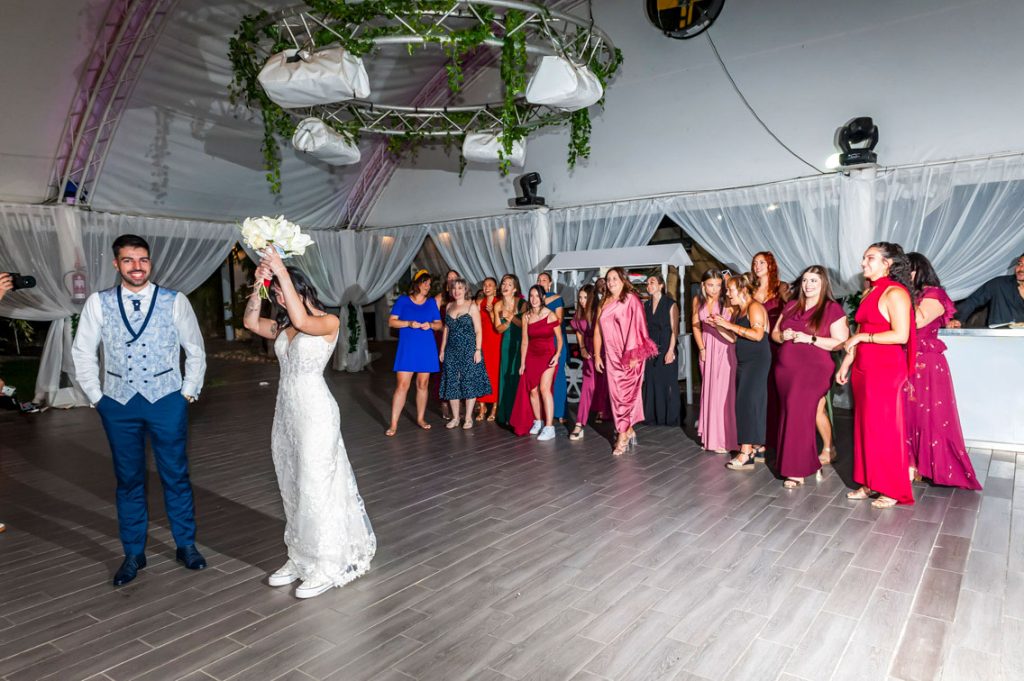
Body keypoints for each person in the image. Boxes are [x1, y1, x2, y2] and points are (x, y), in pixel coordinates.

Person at [71, 234, 207, 586]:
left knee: (175, 475)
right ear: (116, 264)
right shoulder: (99, 302)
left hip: (167, 400)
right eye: (129, 260)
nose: (137, 266)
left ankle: (186, 545)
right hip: (118, 403)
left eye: (143, 259)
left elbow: (194, 349)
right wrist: (97, 397)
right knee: (128, 479)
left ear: (150, 262)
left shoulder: (174, 300)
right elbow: (83, 351)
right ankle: (133, 552)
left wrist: (187, 393)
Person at [244, 250, 376, 598]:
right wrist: (259, 284)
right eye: (275, 295)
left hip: (317, 414)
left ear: (300, 288)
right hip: (286, 413)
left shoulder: (327, 322)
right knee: (292, 485)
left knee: (314, 485)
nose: (278, 299)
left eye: (282, 292)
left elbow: (303, 321)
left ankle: (325, 564)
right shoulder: (283, 326)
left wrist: (279, 269)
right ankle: (300, 556)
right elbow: (250, 322)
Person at [837, 242, 916, 508]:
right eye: (864, 258)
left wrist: (863, 337)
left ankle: (891, 488)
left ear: (887, 264)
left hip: (885, 370)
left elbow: (901, 335)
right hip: (864, 369)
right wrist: (847, 363)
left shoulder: (895, 293)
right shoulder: (870, 291)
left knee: (884, 429)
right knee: (865, 427)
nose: (863, 263)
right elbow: (860, 329)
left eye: (870, 258)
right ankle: (870, 482)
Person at [905, 252, 982, 490]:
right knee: (908, 414)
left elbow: (917, 321)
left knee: (929, 417)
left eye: (906, 270)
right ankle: (912, 466)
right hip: (905, 359)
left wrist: (903, 295)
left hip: (927, 363)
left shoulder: (934, 294)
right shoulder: (907, 294)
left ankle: (933, 467)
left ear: (918, 270)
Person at [771, 266, 849, 488]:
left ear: (823, 283)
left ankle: (797, 469)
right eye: (805, 280)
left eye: (814, 280)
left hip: (813, 370)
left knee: (799, 414)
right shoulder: (791, 305)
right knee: (790, 413)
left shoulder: (832, 309)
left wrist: (811, 339)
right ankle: (794, 461)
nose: (808, 285)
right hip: (786, 371)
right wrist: (783, 335)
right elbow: (774, 334)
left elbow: (841, 343)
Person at [595, 267, 659, 455]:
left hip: (629, 355)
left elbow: (639, 328)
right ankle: (628, 430)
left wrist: (634, 356)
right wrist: (597, 354)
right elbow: (598, 330)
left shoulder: (631, 299)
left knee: (624, 396)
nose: (611, 282)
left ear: (623, 280)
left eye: (615, 278)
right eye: (608, 279)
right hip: (611, 356)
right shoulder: (604, 302)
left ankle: (622, 434)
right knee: (616, 396)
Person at [713, 274, 771, 471]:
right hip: (745, 362)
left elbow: (758, 335)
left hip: (757, 362)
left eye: (730, 290)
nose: (728, 294)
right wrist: (719, 326)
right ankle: (758, 448)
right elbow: (734, 338)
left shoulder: (755, 307)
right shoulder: (740, 310)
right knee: (750, 403)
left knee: (747, 404)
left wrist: (729, 325)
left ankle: (746, 452)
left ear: (743, 290)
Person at [386, 270, 442, 436]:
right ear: (417, 283)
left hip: (426, 348)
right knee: (402, 385)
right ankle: (393, 423)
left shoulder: (431, 303)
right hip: (408, 348)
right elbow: (391, 322)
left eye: (429, 284)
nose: (427, 286)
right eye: (425, 283)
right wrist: (408, 323)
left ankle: (420, 418)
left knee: (423, 384)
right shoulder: (403, 300)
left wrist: (430, 325)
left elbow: (439, 324)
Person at [692, 269, 737, 454]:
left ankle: (725, 439)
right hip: (706, 348)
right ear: (703, 285)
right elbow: (695, 326)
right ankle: (711, 437)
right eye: (710, 285)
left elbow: (733, 331)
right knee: (709, 392)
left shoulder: (727, 301)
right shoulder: (698, 301)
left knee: (723, 394)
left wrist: (719, 325)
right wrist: (702, 349)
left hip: (725, 348)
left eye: (718, 285)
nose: (715, 289)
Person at [511, 285, 562, 441]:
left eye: (537, 296)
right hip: (532, 356)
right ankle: (538, 421)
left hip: (548, 356)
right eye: (531, 296)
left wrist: (557, 355)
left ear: (543, 298)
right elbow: (525, 342)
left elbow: (559, 339)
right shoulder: (526, 317)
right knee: (533, 391)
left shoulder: (550, 315)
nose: (534, 299)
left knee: (544, 389)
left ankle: (549, 427)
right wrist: (522, 363)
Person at [439, 278, 492, 429]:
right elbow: (446, 330)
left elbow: (478, 330)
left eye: (460, 288)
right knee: (452, 382)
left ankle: (468, 418)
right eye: (454, 288)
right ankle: (455, 418)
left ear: (465, 290)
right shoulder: (449, 306)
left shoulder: (472, 306)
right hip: (451, 350)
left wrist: (478, 350)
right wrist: (442, 349)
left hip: (469, 349)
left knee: (469, 382)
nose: (457, 291)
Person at [751, 251, 790, 459]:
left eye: (762, 262)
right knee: (757, 391)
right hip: (754, 345)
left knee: (773, 391)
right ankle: (758, 436)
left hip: (775, 345)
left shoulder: (781, 287)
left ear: (770, 266)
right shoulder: (750, 289)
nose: (757, 266)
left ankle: (774, 438)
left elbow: (792, 311)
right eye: (755, 263)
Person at [569, 284, 610, 440]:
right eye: (580, 297)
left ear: (592, 298)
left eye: (585, 297)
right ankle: (579, 424)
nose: (581, 300)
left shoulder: (600, 310)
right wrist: (582, 348)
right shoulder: (579, 313)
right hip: (588, 353)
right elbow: (579, 331)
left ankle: (619, 424)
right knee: (587, 387)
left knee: (608, 385)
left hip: (604, 351)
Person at [643, 275, 681, 426]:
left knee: (667, 382)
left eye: (652, 282)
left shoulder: (670, 304)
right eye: (647, 284)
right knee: (652, 381)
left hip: (666, 346)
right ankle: (652, 416)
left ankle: (670, 418)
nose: (649, 286)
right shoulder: (646, 305)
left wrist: (671, 350)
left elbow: (675, 330)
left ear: (661, 285)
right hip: (650, 348)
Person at [950, 252, 1024, 327]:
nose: (1021, 269)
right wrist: (958, 319)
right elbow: (973, 301)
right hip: (1000, 333)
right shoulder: (999, 284)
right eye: (1019, 264)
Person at [493, 274, 526, 426]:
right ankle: (504, 414)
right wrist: (506, 323)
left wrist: (510, 316)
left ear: (515, 289)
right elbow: (498, 329)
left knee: (517, 376)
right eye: (503, 284)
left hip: (520, 343)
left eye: (509, 284)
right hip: (506, 343)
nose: (505, 286)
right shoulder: (497, 305)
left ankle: (517, 415)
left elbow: (524, 325)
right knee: (505, 375)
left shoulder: (522, 303)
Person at [537, 272, 568, 422]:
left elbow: (559, 320)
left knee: (558, 375)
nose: (541, 282)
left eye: (544, 280)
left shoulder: (556, 299)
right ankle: (544, 411)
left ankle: (560, 412)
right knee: (541, 376)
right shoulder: (534, 299)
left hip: (555, 340)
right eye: (539, 280)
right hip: (539, 342)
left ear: (549, 284)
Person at [475, 277, 501, 421]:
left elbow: (499, 325)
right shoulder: (479, 303)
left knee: (494, 373)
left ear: (495, 288)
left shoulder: (499, 303)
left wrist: (492, 312)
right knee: (482, 373)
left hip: (496, 340)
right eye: (485, 285)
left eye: (490, 285)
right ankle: (482, 406)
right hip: (483, 341)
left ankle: (495, 407)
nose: (487, 287)